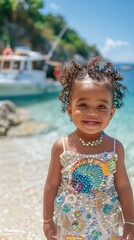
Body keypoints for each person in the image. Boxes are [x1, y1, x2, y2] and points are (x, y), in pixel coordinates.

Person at [43, 57, 134, 240]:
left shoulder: (116, 147)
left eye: (101, 106)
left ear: (111, 113)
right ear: (70, 110)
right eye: (83, 105)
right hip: (70, 222)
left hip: (106, 222)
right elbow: (51, 185)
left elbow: (123, 186)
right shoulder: (61, 147)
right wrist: (47, 220)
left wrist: (130, 222)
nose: (92, 113)